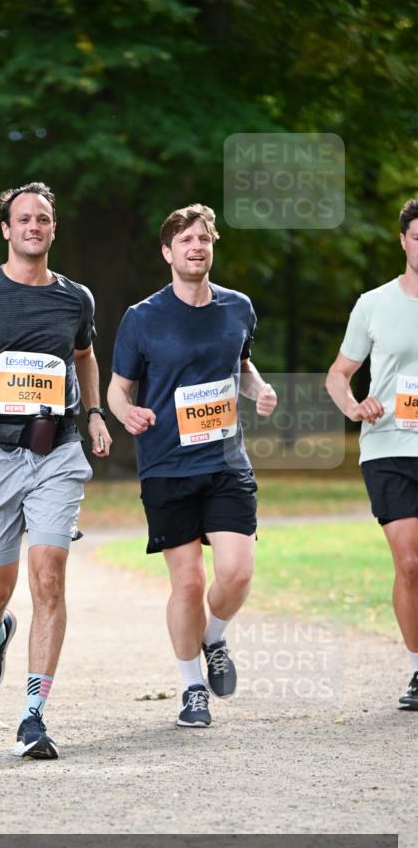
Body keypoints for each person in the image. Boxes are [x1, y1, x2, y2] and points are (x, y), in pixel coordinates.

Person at [0, 181, 112, 759]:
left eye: (43, 219)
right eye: (23, 219)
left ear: (53, 230)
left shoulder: (75, 298)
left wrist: (94, 411)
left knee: (50, 577)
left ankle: (34, 715)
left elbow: (84, 356)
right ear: (6, 230)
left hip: (56, 453)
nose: (33, 226)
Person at [108, 203, 277, 729]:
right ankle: (191, 689)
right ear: (168, 252)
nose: (196, 247)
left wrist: (260, 389)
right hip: (166, 465)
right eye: (185, 241)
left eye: (203, 239)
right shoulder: (141, 318)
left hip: (226, 460)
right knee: (186, 584)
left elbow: (242, 366)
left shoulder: (238, 308)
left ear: (212, 246)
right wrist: (126, 413)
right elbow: (118, 388)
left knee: (236, 572)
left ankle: (215, 636)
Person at [326, 198, 418, 711]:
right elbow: (338, 374)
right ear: (403, 241)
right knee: (409, 564)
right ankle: (417, 670)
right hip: (388, 447)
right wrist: (356, 406)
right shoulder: (374, 303)